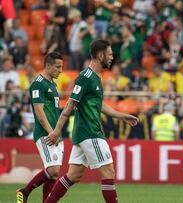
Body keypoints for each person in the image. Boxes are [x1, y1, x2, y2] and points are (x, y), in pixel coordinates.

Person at [44, 40, 139, 203]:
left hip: (84, 133)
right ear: (100, 55)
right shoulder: (85, 77)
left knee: (73, 175)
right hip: (90, 132)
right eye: (109, 54)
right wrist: (57, 130)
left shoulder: (97, 77)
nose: (111, 58)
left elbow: (98, 105)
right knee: (108, 172)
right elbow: (70, 105)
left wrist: (121, 115)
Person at [16, 52, 64, 203]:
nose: (61, 70)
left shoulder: (53, 84)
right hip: (45, 133)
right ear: (48, 66)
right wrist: (51, 132)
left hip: (56, 134)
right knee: (53, 170)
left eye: (61, 67)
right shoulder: (38, 83)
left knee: (54, 174)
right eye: (57, 67)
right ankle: (24, 192)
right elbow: (38, 110)